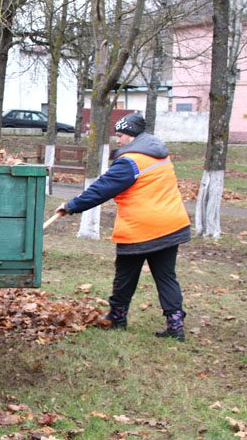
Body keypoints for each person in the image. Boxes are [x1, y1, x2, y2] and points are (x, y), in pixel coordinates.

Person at [55, 112, 191, 341]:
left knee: (125, 275)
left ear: (132, 135)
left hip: (141, 230)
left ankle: (117, 317)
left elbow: (101, 189)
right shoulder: (160, 154)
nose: (118, 141)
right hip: (171, 225)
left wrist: (71, 206)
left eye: (120, 135)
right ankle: (175, 326)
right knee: (166, 277)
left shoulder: (131, 161)